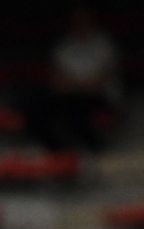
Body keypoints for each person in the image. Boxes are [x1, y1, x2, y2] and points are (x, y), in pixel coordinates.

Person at [19, 6, 120, 153]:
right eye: (76, 19)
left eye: (84, 19)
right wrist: (78, 86)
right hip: (68, 97)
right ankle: (58, 152)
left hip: (99, 98)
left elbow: (99, 82)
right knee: (34, 107)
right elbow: (57, 80)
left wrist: (75, 86)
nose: (80, 23)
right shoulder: (63, 47)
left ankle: (97, 151)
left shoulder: (105, 45)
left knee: (74, 115)